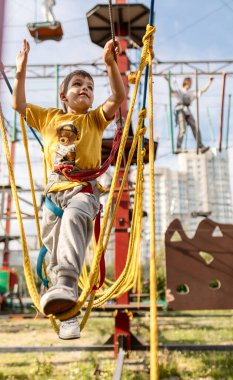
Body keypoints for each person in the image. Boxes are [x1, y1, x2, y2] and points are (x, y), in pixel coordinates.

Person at [12, 39, 125, 339]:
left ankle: (65, 282)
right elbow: (18, 105)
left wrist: (110, 65)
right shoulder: (49, 117)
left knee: (75, 220)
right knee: (54, 250)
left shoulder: (95, 120)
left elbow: (119, 95)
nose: (85, 88)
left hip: (83, 189)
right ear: (63, 95)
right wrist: (20, 71)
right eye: (77, 84)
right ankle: (67, 317)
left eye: (89, 85)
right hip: (53, 192)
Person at [166, 76, 213, 153]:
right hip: (180, 109)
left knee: (195, 127)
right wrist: (168, 81)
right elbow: (171, 91)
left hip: (187, 111)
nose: (191, 84)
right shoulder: (180, 91)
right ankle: (178, 147)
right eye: (190, 82)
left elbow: (203, 90)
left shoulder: (191, 93)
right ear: (186, 82)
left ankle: (200, 145)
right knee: (182, 129)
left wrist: (209, 82)